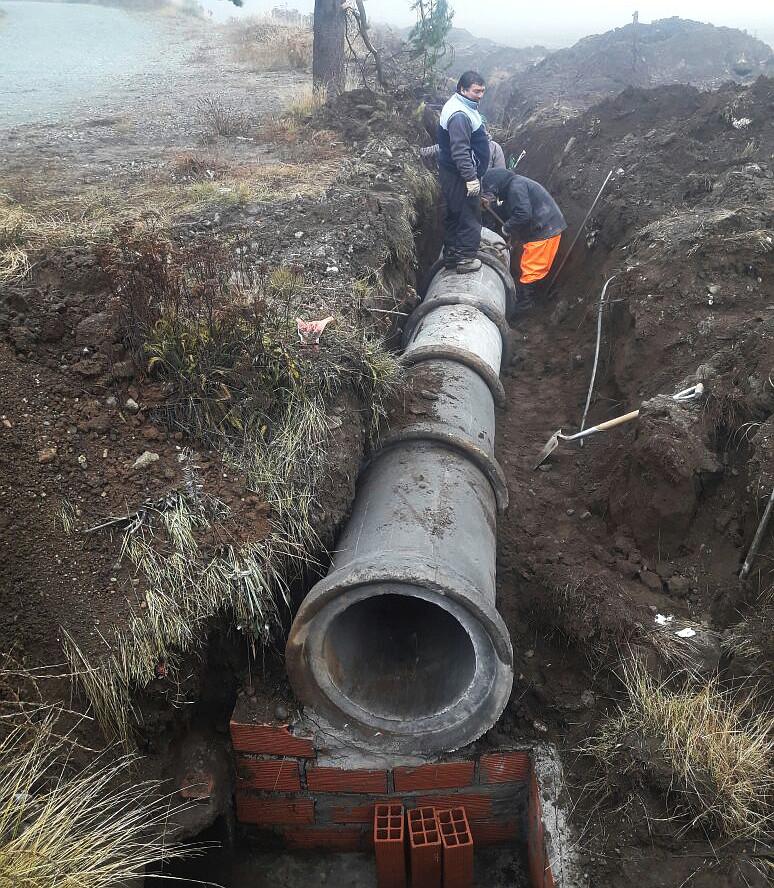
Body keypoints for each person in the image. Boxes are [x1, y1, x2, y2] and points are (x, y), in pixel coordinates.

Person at [481, 168, 567, 308]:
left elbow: (523, 214)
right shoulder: (516, 184)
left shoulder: (516, 187)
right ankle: (524, 299)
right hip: (544, 228)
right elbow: (509, 209)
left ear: (497, 185)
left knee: (531, 272)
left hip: (544, 233)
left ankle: (525, 304)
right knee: (529, 268)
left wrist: (506, 227)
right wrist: (491, 208)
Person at [437, 71, 491, 273]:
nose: (480, 95)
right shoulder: (459, 115)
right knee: (469, 216)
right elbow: (460, 150)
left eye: (483, 91)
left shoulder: (460, 106)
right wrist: (470, 178)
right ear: (462, 89)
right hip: (460, 175)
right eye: (476, 91)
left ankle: (451, 255)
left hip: (452, 173)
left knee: (455, 213)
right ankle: (465, 259)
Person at [420, 137, 506, 171]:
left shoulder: (494, 147)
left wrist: (489, 198)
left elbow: (500, 174)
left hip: (485, 196)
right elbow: (440, 148)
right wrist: (420, 152)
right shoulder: (461, 142)